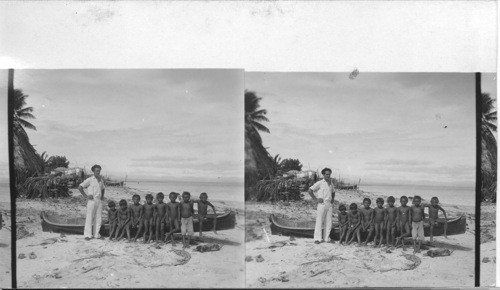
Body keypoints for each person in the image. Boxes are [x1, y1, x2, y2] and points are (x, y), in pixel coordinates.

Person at [308, 167, 335, 244]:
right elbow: (310, 190)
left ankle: (327, 238)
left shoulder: (331, 183)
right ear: (323, 174)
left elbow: (333, 192)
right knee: (319, 221)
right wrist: (315, 199)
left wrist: (333, 199)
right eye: (326, 174)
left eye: (329, 174)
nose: (328, 176)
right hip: (321, 204)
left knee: (328, 222)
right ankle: (317, 239)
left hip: (329, 204)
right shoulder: (320, 183)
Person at [79, 164, 106, 240]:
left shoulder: (101, 180)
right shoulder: (90, 179)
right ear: (93, 171)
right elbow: (80, 187)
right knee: (89, 218)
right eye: (97, 171)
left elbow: (103, 188)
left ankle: (96, 235)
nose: (98, 172)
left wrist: (102, 196)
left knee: (98, 218)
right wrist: (85, 196)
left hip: (99, 201)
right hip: (91, 201)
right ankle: (87, 235)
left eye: (99, 171)